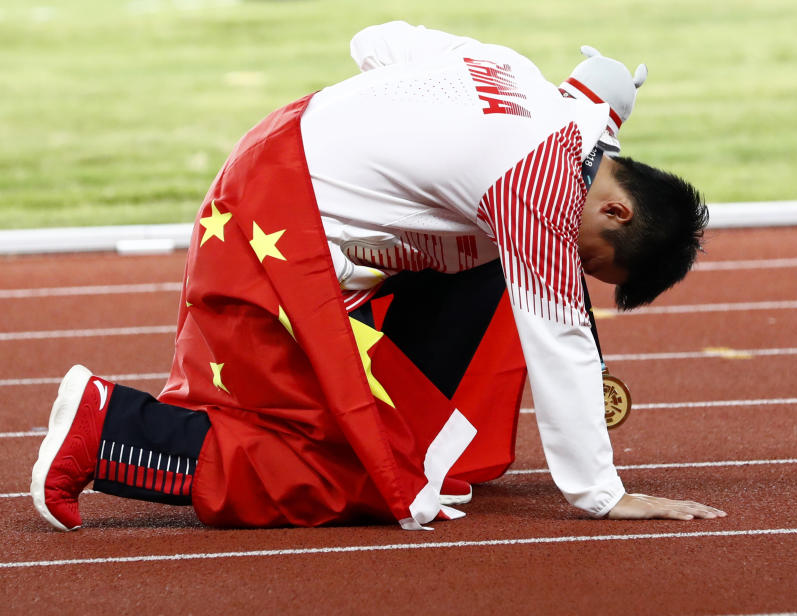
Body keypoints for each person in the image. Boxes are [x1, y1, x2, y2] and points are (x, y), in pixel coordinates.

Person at [31, 21, 724, 531]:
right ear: (614, 206)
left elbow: (376, 40)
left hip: (274, 152)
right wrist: (602, 492)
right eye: (588, 257)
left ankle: (410, 426)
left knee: (487, 266)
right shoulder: (537, 189)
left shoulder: (518, 78)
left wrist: (383, 147)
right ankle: (108, 427)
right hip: (276, 224)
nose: (568, 265)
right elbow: (559, 337)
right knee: (336, 470)